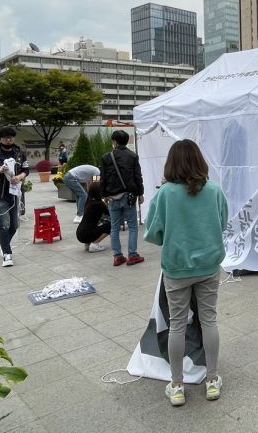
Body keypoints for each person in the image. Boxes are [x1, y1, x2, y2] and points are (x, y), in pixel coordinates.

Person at [144, 139, 228, 406]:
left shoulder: (165, 193)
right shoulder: (214, 190)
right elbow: (222, 223)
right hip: (209, 265)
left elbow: (153, 234)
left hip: (177, 268)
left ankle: (177, 385)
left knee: (177, 324)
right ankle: (212, 379)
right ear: (199, 161)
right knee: (209, 320)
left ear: (171, 164)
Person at [0, 126, 30, 268]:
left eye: (11, 137)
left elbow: (26, 169)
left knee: (14, 225)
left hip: (14, 194)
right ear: (0, 138)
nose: (8, 140)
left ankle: (3, 242)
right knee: (4, 224)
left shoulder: (19, 152)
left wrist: (20, 176)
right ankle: (7, 254)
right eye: (5, 137)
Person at [100, 130, 144, 267]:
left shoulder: (106, 157)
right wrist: (140, 193)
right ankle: (132, 255)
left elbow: (103, 179)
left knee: (114, 228)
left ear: (114, 141)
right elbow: (138, 177)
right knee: (132, 226)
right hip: (128, 196)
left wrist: (104, 195)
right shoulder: (132, 156)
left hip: (112, 197)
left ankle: (117, 256)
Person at [76, 182, 110, 253]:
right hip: (87, 233)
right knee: (111, 225)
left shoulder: (88, 202)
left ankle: (88, 244)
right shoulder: (99, 204)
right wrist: (107, 202)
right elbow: (110, 214)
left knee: (94, 224)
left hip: (79, 233)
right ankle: (94, 244)